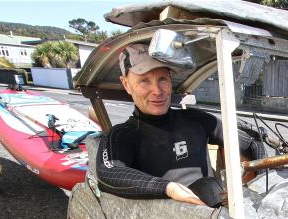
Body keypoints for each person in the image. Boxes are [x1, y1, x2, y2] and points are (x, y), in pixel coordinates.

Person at [96, 44, 263, 206]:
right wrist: (169, 188)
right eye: (144, 81)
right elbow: (108, 172)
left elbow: (250, 142)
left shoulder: (195, 118)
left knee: (207, 186)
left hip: (216, 213)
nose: (157, 91)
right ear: (126, 84)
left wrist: (259, 187)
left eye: (162, 79)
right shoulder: (122, 135)